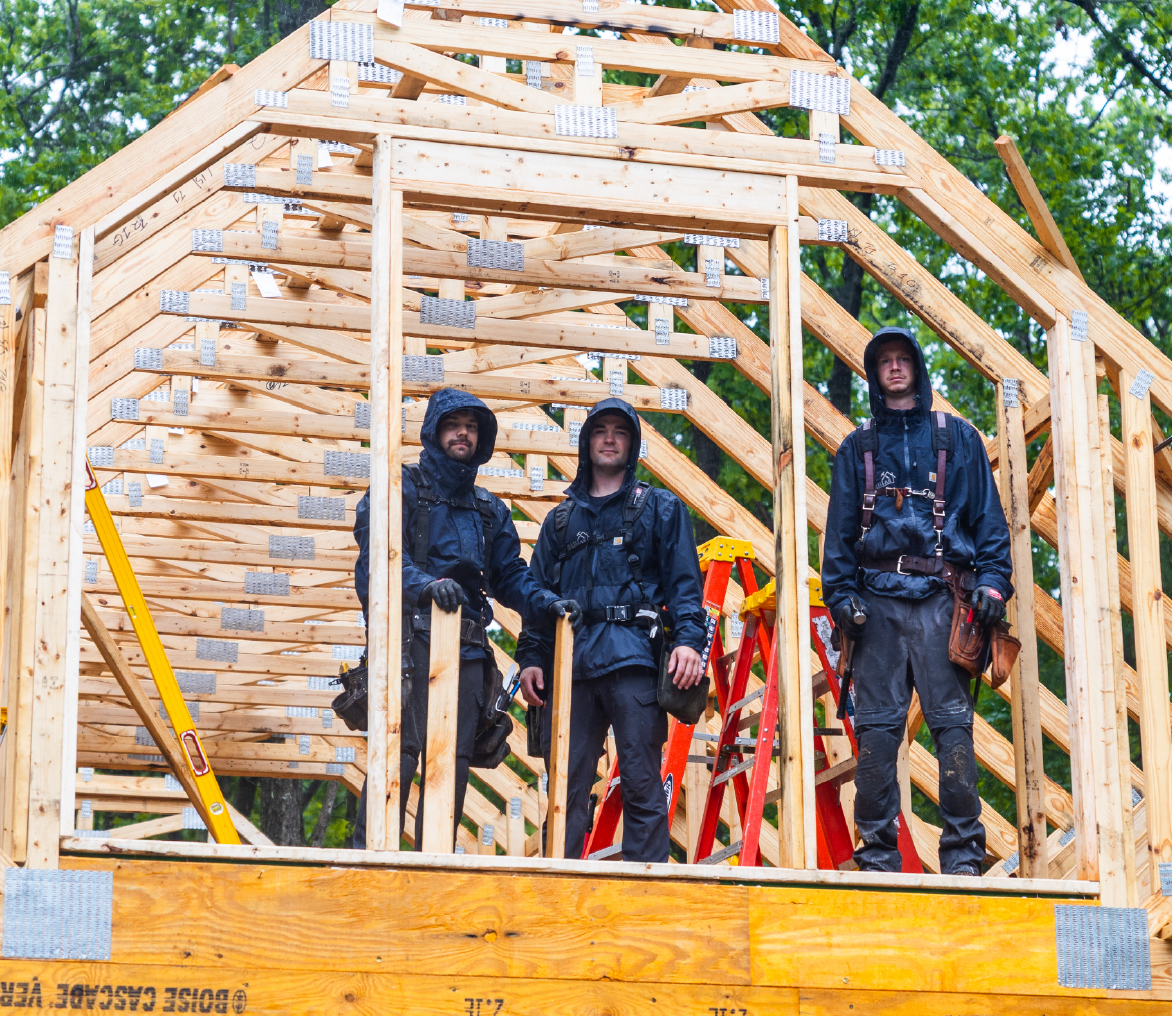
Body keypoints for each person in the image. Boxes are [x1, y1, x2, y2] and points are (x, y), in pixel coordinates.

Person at [821, 325, 1014, 875]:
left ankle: (962, 860)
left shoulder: (958, 440)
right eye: (886, 360)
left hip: (941, 601)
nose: (896, 367)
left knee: (952, 727)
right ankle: (878, 858)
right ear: (874, 373)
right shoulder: (856, 451)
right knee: (878, 735)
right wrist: (842, 600)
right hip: (876, 607)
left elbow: (991, 528)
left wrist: (993, 585)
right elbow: (836, 542)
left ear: (918, 370)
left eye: (905, 358)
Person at [351, 388, 572, 849]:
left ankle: (434, 871)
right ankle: (367, 863)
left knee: (450, 764)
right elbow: (378, 560)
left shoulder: (489, 511)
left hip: (467, 653)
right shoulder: (399, 488)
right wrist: (427, 585)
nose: (463, 434)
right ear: (435, 431)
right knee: (398, 755)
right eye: (455, 425)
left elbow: (511, 575)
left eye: (472, 427)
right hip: (407, 647)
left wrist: (545, 603)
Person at [515, 398, 707, 863]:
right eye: (600, 430)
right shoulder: (560, 521)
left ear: (632, 444)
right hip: (572, 667)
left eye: (619, 431)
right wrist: (530, 659)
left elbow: (686, 585)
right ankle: (558, 891)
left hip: (634, 660)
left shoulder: (660, 508)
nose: (608, 438)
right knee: (567, 785)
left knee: (642, 781)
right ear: (586, 443)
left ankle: (648, 896)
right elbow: (537, 597)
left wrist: (688, 641)